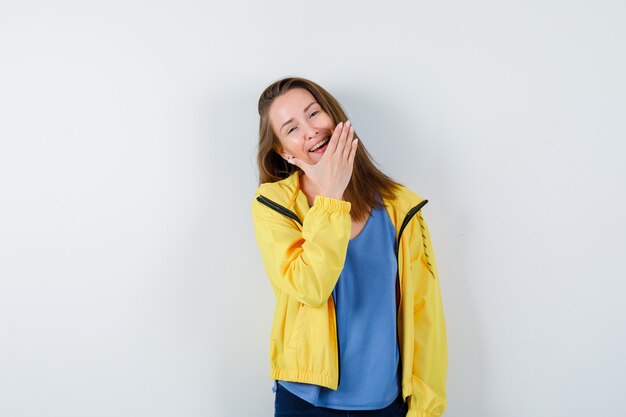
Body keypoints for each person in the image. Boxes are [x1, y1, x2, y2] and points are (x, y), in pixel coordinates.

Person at [251, 77, 448, 417]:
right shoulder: (273, 205)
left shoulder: (400, 208)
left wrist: (426, 408)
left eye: (314, 114)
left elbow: (424, 316)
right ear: (284, 150)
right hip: (306, 401)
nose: (310, 130)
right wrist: (330, 197)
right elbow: (310, 287)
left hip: (386, 402)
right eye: (292, 128)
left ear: (335, 118)